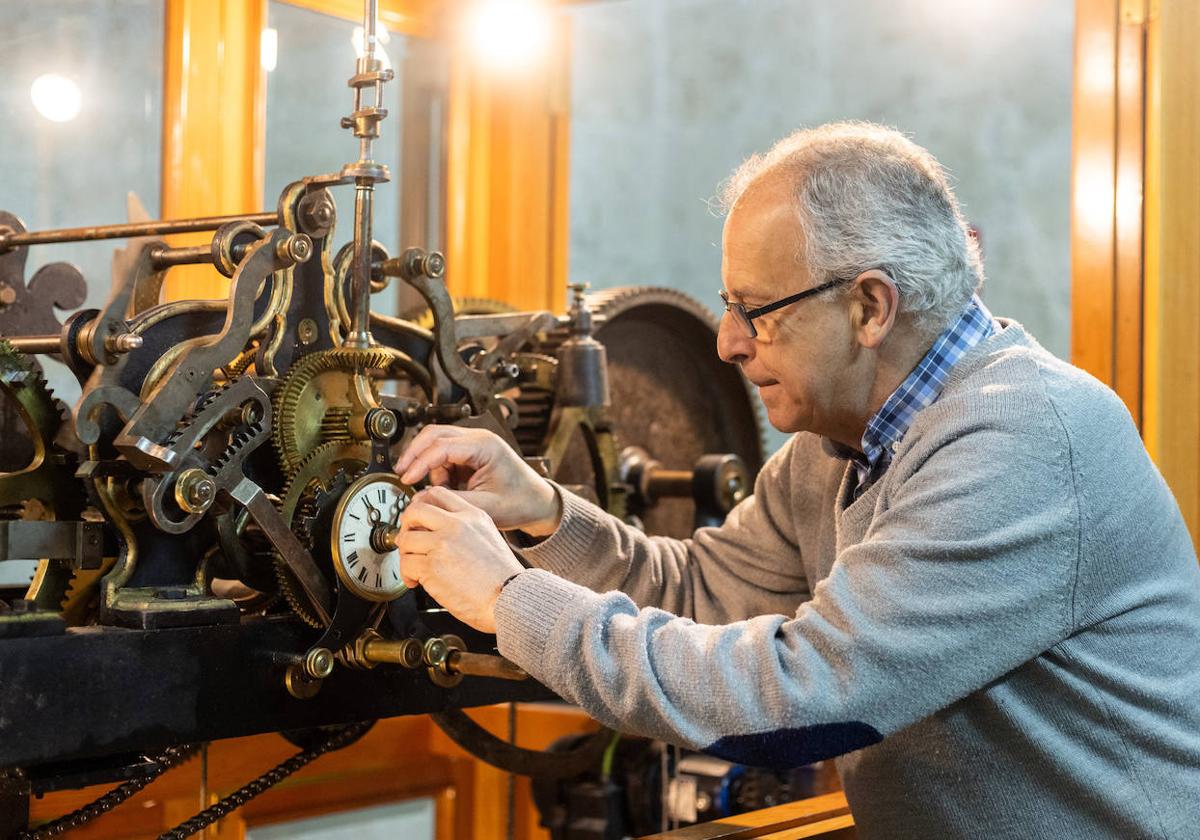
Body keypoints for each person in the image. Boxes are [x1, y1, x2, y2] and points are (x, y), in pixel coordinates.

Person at [393, 122, 1200, 838]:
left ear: (870, 307)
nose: (728, 344)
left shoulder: (1022, 437)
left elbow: (802, 701)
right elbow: (701, 590)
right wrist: (542, 516)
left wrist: (506, 599)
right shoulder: (836, 446)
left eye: (756, 308)